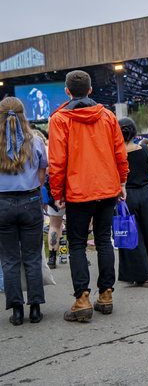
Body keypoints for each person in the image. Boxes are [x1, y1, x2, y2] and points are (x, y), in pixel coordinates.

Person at [48, 70, 129, 322]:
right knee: (104, 240)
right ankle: (106, 296)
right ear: (91, 90)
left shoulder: (60, 119)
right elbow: (120, 152)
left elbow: (57, 161)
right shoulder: (107, 116)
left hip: (77, 191)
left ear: (67, 91)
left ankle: (82, 300)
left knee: (77, 245)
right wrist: (122, 181)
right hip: (107, 189)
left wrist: (57, 193)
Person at [0, 97, 48, 325]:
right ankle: (36, 307)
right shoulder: (36, 141)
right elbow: (41, 177)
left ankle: (17, 310)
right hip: (30, 200)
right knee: (32, 257)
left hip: (2, 204)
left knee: (9, 259)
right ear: (23, 114)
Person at [117, 118, 148, 287]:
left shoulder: (117, 153)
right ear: (134, 132)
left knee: (131, 235)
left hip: (127, 196)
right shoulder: (144, 149)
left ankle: (139, 274)